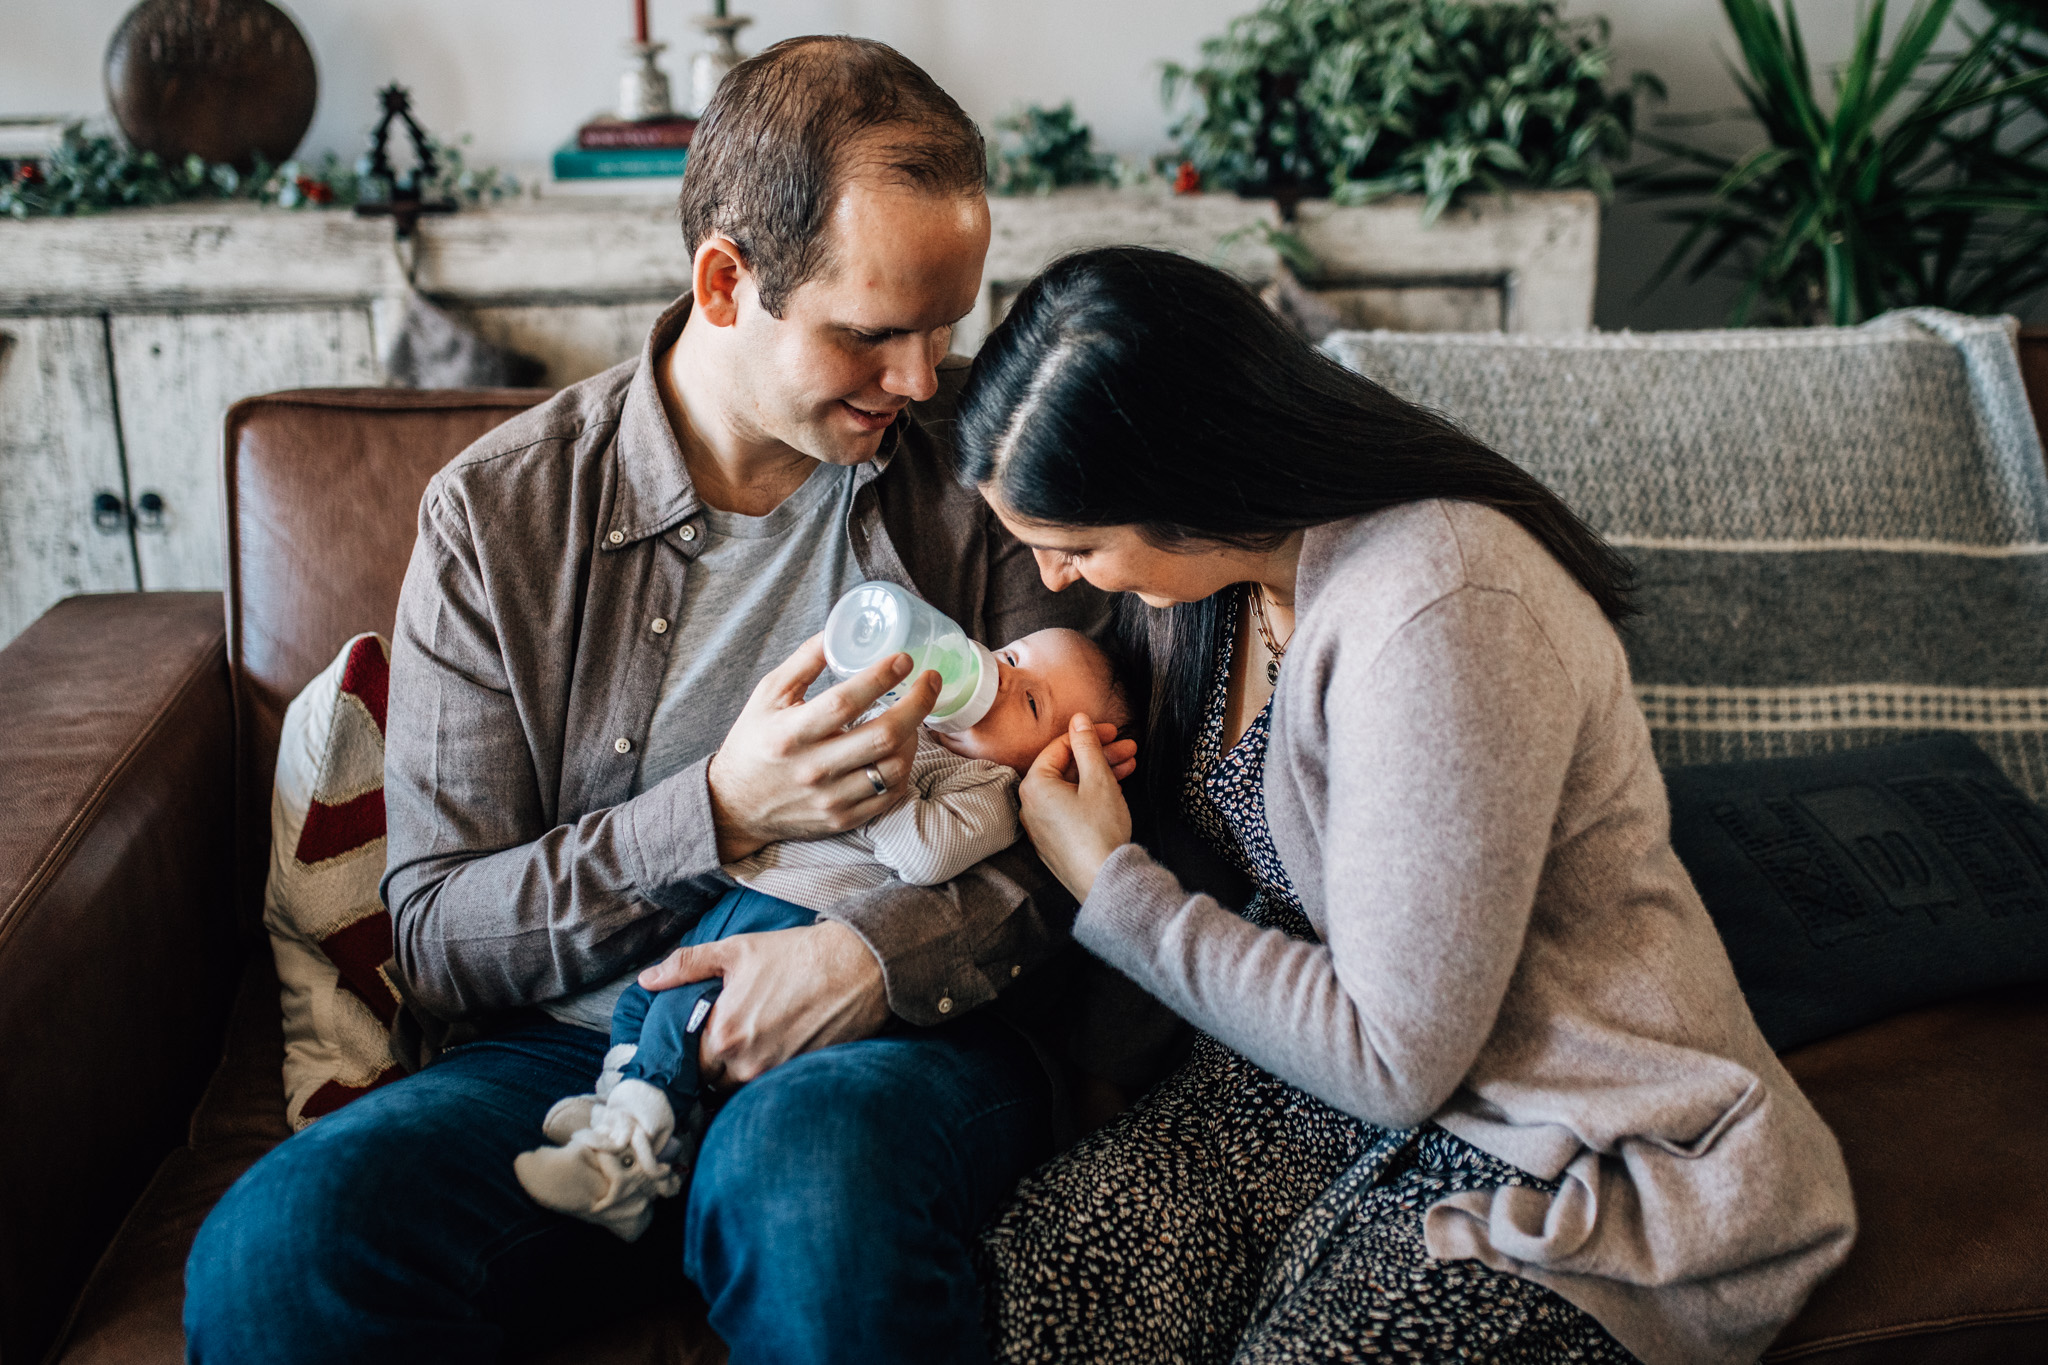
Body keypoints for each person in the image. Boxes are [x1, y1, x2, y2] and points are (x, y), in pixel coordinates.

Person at [183, 38, 1136, 1365]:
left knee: (808, 1194)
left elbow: (1093, 814)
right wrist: (721, 811)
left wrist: (867, 960)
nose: (924, 382)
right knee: (274, 1250)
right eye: (871, 333)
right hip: (569, 1062)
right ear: (726, 281)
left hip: (885, 1041)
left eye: (946, 328)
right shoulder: (500, 516)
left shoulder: (982, 469)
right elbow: (441, 931)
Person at [954, 247, 1858, 1365]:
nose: (1052, 581)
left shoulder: (1439, 609)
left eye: (1075, 547)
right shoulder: (1217, 587)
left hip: (1552, 1129)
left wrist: (1109, 883)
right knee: (1054, 1288)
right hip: (1297, 1086)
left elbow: (1393, 1061)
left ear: (1189, 479)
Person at [513, 627, 1132, 1241]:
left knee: (684, 1009)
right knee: (644, 999)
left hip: (798, 916)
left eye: (1029, 703)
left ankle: (623, 1160)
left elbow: (926, 856)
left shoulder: (993, 791)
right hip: (753, 892)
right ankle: (624, 1113)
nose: (1001, 682)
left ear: (1050, 760)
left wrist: (881, 771)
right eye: (1010, 657)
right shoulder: (911, 721)